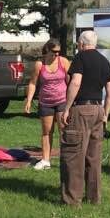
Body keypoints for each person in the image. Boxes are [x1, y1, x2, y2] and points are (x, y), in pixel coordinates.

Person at [59, 30, 110, 205]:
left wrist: (67, 108)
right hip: (98, 109)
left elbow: (75, 82)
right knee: (94, 157)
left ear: (82, 43)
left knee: (74, 155)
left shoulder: (80, 58)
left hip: (81, 108)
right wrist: (105, 113)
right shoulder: (104, 61)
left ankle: (72, 200)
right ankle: (94, 198)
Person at [23, 39, 70, 170]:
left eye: (59, 52)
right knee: (47, 132)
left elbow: (70, 81)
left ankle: (66, 160)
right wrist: (29, 100)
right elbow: (33, 83)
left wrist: (72, 101)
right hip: (46, 102)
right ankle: (45, 160)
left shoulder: (63, 62)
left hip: (62, 101)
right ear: (47, 50)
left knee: (63, 131)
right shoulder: (40, 64)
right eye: (54, 52)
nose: (57, 54)